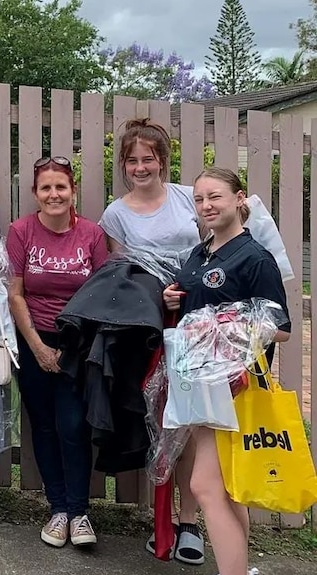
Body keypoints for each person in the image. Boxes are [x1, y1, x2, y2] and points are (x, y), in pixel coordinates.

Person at [162, 167, 290, 575]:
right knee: (229, 491)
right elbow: (194, 308)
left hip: (236, 388)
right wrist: (172, 301)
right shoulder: (200, 254)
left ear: (240, 199)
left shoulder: (255, 257)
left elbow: (280, 328)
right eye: (199, 200)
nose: (206, 206)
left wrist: (225, 326)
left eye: (214, 197)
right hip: (202, 386)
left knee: (204, 486)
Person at [99, 118, 205, 564]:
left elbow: (213, 246)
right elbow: (120, 278)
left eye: (149, 158)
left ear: (163, 160)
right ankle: (160, 524)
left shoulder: (186, 197)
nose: (141, 167)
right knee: (160, 421)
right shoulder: (115, 214)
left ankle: (189, 523)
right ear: (123, 165)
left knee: (194, 422)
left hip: (198, 321)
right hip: (150, 330)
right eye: (132, 160)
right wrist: (155, 297)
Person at [6, 156, 108, 547]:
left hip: (78, 345)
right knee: (44, 425)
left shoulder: (91, 235)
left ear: (73, 191)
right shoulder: (21, 231)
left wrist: (67, 349)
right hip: (33, 342)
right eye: (46, 188)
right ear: (35, 194)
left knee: (73, 425)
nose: (54, 194)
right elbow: (16, 294)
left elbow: (102, 295)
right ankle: (58, 509)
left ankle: (80, 512)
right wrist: (38, 348)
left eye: (60, 187)